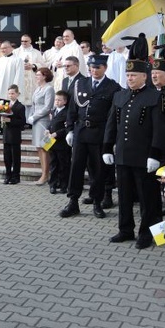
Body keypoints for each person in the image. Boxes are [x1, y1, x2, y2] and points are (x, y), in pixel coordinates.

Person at [103, 58, 165, 249]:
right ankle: (125, 229)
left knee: (147, 197)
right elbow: (111, 124)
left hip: (144, 156)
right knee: (124, 195)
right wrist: (107, 147)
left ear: (144, 77)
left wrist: (155, 154)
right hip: (123, 154)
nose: (130, 79)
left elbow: (160, 128)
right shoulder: (120, 96)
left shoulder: (155, 97)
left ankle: (146, 232)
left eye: (134, 75)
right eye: (128, 75)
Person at [61, 54, 121, 218]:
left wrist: (111, 139)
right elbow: (72, 109)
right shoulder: (81, 83)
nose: (94, 70)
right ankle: (73, 201)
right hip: (81, 132)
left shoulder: (113, 87)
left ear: (105, 68)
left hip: (99, 134)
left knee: (98, 170)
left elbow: (113, 115)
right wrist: (69, 130)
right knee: (76, 168)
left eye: (98, 68)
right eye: (91, 67)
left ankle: (97, 202)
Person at [28, 67, 55, 185]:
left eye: (38, 75)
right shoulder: (38, 88)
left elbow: (47, 107)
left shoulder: (49, 89)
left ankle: (45, 175)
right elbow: (34, 104)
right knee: (39, 147)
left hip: (43, 121)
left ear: (44, 76)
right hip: (36, 121)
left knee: (44, 147)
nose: (36, 77)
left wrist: (35, 116)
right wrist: (30, 116)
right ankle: (43, 173)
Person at [0, 41, 24, 133]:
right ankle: (0, 127)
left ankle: (7, 127)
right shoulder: (0, 60)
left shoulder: (18, 60)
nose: (3, 50)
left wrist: (15, 89)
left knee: (8, 108)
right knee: (0, 106)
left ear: (11, 48)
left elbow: (19, 75)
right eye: (2, 48)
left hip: (9, 90)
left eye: (5, 48)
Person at [14, 34, 46, 117]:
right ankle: (21, 119)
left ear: (30, 41)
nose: (23, 43)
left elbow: (42, 65)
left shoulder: (36, 52)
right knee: (20, 98)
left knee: (32, 100)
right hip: (20, 79)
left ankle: (30, 119)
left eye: (26, 41)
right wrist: (21, 66)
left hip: (32, 79)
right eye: (22, 41)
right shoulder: (16, 52)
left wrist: (33, 66)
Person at [0, 84, 26, 184]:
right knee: (7, 157)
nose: (10, 95)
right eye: (9, 93)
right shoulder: (5, 105)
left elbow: (22, 122)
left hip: (15, 135)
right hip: (6, 134)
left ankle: (16, 176)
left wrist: (10, 120)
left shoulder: (20, 106)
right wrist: (2, 119)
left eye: (13, 93)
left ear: (17, 94)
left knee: (15, 157)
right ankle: (8, 175)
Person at [47, 91, 70, 195]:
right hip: (52, 142)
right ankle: (53, 184)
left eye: (59, 100)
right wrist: (48, 130)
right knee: (53, 164)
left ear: (65, 101)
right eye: (56, 100)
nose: (57, 101)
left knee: (63, 165)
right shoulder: (53, 111)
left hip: (62, 143)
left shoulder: (67, 113)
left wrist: (57, 134)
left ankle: (64, 185)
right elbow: (51, 124)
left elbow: (67, 128)